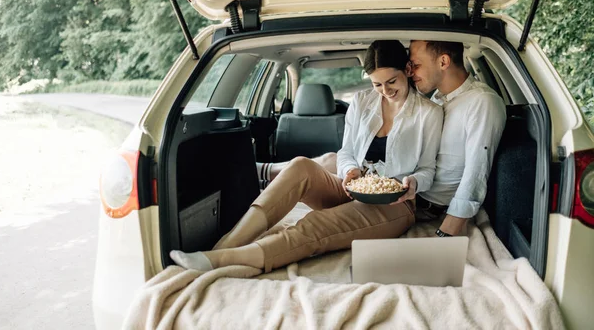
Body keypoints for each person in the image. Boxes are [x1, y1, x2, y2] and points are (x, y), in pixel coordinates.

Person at [170, 40, 444, 272]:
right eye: (377, 84)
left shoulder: (429, 113)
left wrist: (414, 184)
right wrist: (349, 171)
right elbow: (347, 151)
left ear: (407, 70)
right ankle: (228, 242)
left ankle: (223, 260)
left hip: (395, 204)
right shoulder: (362, 102)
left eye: (391, 81)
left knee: (315, 224)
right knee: (300, 166)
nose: (385, 91)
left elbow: (428, 170)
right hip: (355, 189)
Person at [408, 40, 506, 236]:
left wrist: (447, 232)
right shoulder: (437, 99)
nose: (411, 73)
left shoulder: (481, 101)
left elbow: (476, 173)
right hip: (409, 190)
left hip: (425, 206)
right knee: (330, 162)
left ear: (443, 61)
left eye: (416, 65)